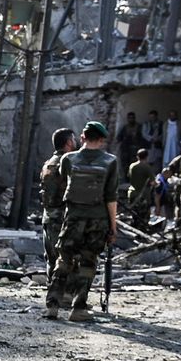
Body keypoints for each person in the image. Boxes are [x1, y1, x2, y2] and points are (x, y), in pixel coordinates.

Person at [46, 122, 120, 322]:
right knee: (88, 262)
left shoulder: (69, 159)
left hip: (72, 218)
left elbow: (63, 181)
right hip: (98, 220)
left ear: (82, 137)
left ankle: (52, 305)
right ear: (102, 139)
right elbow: (111, 198)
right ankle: (78, 308)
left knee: (63, 260)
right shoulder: (110, 161)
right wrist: (113, 227)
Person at [38, 128, 76, 281]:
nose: (75, 142)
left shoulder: (47, 164)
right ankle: (64, 296)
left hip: (48, 216)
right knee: (65, 258)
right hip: (62, 218)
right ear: (68, 142)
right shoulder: (67, 163)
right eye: (73, 139)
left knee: (51, 258)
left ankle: (52, 295)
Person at [126, 148, 156, 230]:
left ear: (137, 156)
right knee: (143, 218)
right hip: (143, 196)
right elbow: (153, 182)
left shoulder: (132, 166)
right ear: (147, 157)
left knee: (134, 216)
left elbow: (129, 176)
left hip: (132, 193)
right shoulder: (147, 167)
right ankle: (142, 235)